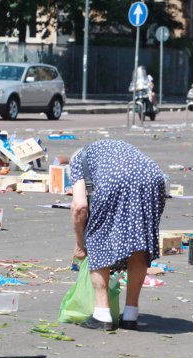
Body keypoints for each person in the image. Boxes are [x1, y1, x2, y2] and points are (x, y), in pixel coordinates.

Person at [69, 140, 167, 331]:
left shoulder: (77, 162)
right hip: (154, 178)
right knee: (140, 241)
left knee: (98, 239)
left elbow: (79, 207)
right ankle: (131, 314)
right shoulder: (108, 149)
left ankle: (101, 314)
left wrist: (81, 243)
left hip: (117, 180)